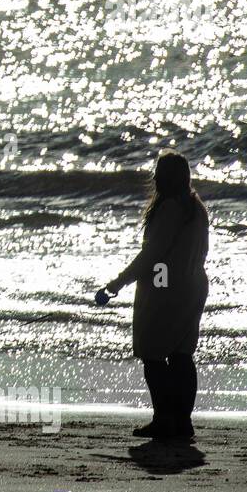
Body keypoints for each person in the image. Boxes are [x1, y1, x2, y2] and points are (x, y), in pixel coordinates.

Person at [96, 150, 209, 440]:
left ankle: (163, 420)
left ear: (170, 178)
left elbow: (152, 255)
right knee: (182, 354)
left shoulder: (169, 208)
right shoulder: (197, 208)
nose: (155, 177)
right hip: (193, 285)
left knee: (153, 354)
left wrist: (117, 283)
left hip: (165, 290)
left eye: (160, 173)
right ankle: (182, 422)